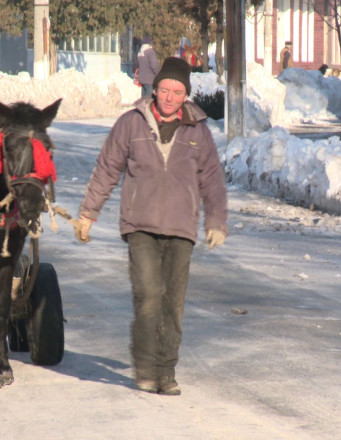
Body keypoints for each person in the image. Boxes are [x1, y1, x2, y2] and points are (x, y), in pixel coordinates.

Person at [73, 57, 228, 396]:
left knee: (172, 303)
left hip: (181, 227)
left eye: (177, 92)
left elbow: (212, 178)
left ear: (185, 95)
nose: (170, 97)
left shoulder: (198, 129)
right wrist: (88, 213)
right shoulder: (131, 123)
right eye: (165, 90)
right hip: (140, 224)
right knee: (147, 296)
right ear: (154, 89)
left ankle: (166, 371)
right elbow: (107, 169)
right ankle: (146, 366)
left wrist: (216, 221)